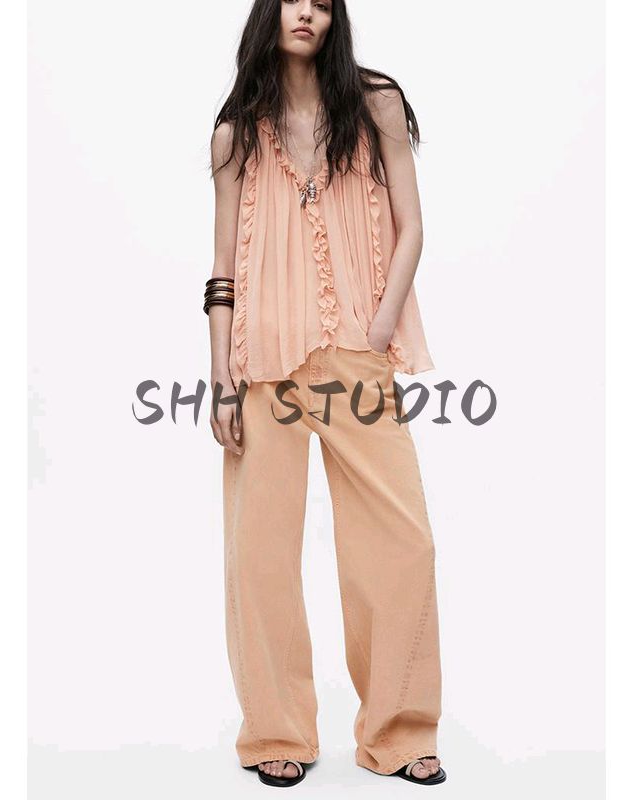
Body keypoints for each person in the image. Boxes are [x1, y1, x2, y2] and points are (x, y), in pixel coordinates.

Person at [205, 0, 445, 788]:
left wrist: (379, 329)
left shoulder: (376, 104)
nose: (306, 12)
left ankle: (400, 733)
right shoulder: (236, 133)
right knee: (261, 554)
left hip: (355, 355)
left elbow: (411, 226)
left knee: (401, 541)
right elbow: (223, 269)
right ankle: (277, 730)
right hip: (262, 360)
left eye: (321, 1)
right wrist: (221, 377)